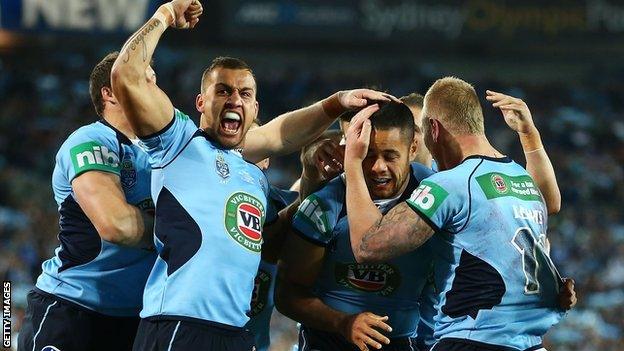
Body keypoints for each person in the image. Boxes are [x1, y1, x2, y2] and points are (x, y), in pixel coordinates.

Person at [110, 1, 392, 349]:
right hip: (179, 322)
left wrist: (337, 104)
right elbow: (126, 76)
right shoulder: (179, 142)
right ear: (200, 103)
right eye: (223, 91)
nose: (235, 100)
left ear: (255, 108)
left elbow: (280, 136)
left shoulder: (252, 176)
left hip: (237, 332)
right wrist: (165, 14)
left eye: (245, 94)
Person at [344, 77, 574, 351]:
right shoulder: (519, 179)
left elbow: (369, 247)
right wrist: (529, 135)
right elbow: (549, 202)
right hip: (531, 344)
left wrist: (354, 163)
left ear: (433, 129)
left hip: (474, 339)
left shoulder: (451, 184)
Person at [18, 52, 156, 351]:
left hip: (133, 318)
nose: (152, 89)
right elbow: (115, 224)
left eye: (153, 81)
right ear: (109, 93)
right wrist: (178, 232)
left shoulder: (163, 151)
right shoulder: (91, 140)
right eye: (140, 79)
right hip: (71, 308)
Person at [277, 101, 435, 351]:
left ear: (413, 148)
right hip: (328, 341)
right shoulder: (324, 207)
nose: (378, 167)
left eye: (390, 156)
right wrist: (343, 323)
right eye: (368, 155)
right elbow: (287, 294)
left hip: (405, 342)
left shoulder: (436, 195)